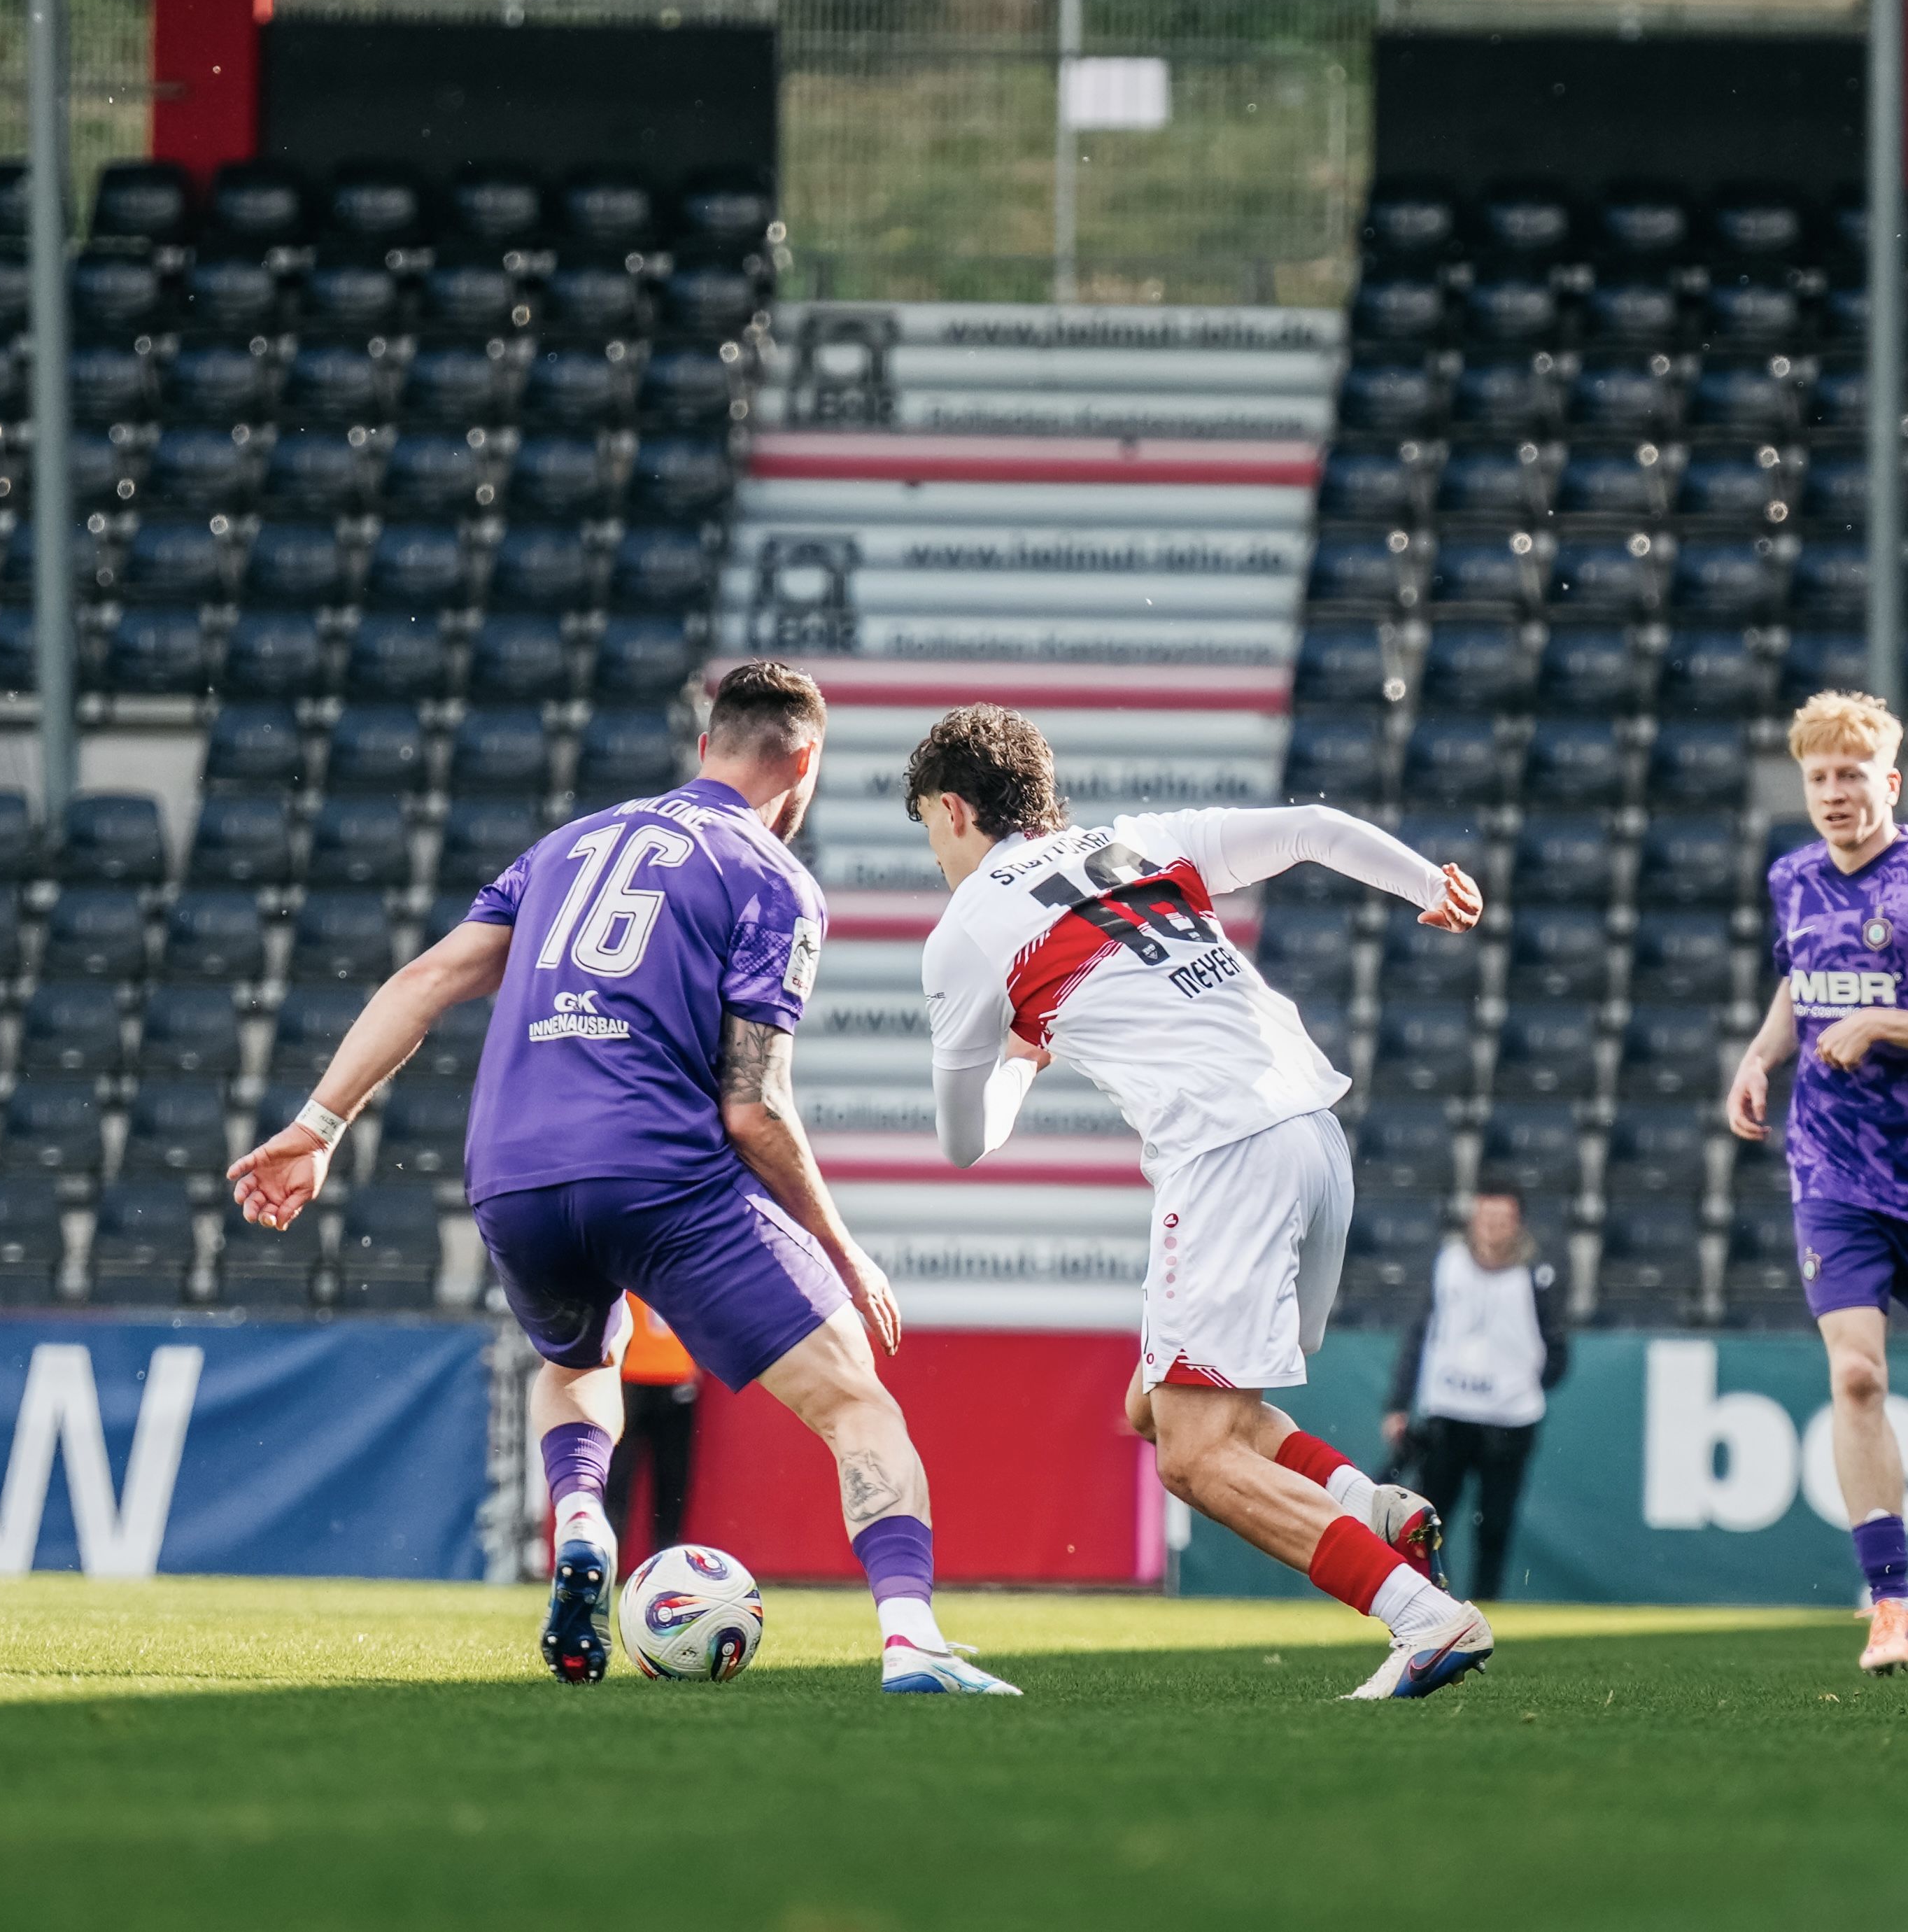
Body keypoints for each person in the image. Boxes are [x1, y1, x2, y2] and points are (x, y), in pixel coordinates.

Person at [229, 661, 1015, 1697]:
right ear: (805, 763)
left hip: (510, 1171)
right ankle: (912, 1642)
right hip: (657, 1171)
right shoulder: (772, 877)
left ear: (706, 745)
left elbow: (426, 979)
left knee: (573, 1361)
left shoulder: (563, 847)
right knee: (856, 1403)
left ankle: (582, 1524)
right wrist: (839, 1244)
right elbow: (753, 1106)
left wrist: (317, 1125)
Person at [905, 703, 1491, 1702]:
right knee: (1156, 1403)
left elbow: (965, 1141)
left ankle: (1422, 1615)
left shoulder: (966, 930)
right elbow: (1314, 828)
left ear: (953, 809)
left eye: (928, 827)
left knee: (1193, 1455)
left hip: (1226, 1156)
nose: (935, 853)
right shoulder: (1140, 840)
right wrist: (1426, 886)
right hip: (1314, 1134)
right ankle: (1370, 1507)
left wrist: (1019, 1062)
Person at [1722, 690, 1908, 1675]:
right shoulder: (1791, 877)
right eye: (1817, 777)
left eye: (1850, 775)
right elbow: (1799, 983)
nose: (1833, 793)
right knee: (1855, 1373)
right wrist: (1760, 1055)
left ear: (1888, 782)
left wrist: (1885, 1022)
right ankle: (1890, 1604)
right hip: (1829, 1167)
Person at [1381, 1191, 1567, 1603]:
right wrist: (1399, 1403)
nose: (1494, 1227)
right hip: (1450, 1411)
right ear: (1473, 1220)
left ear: (1518, 1224)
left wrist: (1525, 1384)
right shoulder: (1448, 1265)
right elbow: (1420, 1336)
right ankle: (1429, 1600)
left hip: (1510, 1418)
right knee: (1430, 1517)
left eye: (1503, 1218)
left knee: (1495, 1523)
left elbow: (1555, 1343)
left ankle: (1486, 1603)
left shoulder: (1536, 1274)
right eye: (1487, 1217)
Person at [608, 1300, 699, 1558]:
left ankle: (666, 1560)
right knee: (616, 1477)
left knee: (672, 1478)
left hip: (671, 1374)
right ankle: (609, 1558)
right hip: (629, 1374)